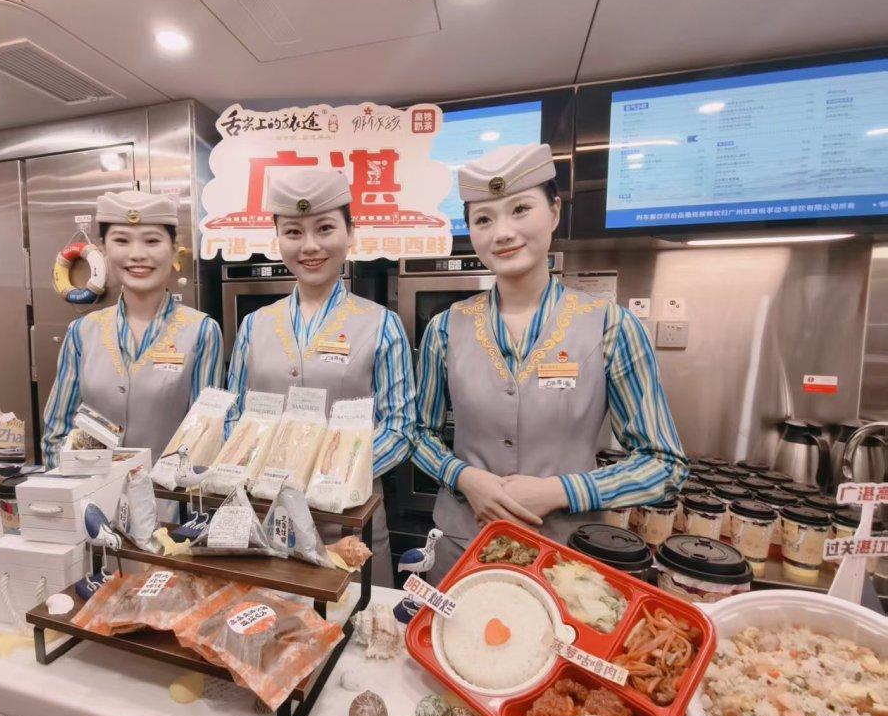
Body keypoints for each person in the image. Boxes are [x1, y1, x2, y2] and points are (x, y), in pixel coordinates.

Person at [413, 144, 688, 581]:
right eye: (484, 219)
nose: (502, 233)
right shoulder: (445, 329)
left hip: (568, 558)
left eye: (520, 209)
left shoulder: (611, 326)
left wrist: (561, 490)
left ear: (555, 211)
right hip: (460, 549)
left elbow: (663, 463)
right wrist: (465, 478)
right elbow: (418, 434)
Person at [225, 168, 415, 587]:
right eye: (293, 232)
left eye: (325, 228)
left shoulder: (381, 324)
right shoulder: (254, 325)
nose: (309, 246)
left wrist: (330, 482)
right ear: (278, 239)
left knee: (356, 623)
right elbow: (234, 419)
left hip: (350, 529)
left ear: (351, 233)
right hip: (264, 525)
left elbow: (401, 429)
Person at [42, 190, 222, 469]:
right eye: (121, 240)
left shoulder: (202, 332)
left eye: (152, 241)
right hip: (90, 492)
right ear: (103, 249)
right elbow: (57, 431)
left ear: (174, 249)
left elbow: (204, 436)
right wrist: (72, 487)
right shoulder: (82, 332)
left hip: (167, 496)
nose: (137, 254)